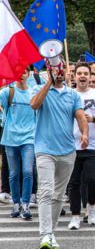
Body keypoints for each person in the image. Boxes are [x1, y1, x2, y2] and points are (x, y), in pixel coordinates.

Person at [30, 66, 88, 249]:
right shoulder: (39, 89)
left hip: (67, 150)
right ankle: (45, 234)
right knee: (46, 192)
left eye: (62, 69)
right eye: (55, 70)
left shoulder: (73, 95)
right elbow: (34, 104)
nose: (59, 73)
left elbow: (80, 116)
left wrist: (84, 133)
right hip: (44, 149)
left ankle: (50, 233)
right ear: (49, 72)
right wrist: (49, 82)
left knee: (58, 196)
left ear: (67, 72)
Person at [68, 63, 95, 230]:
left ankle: (92, 206)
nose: (83, 76)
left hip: (92, 145)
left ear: (89, 75)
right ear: (75, 76)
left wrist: (91, 119)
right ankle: (75, 216)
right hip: (71, 145)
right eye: (79, 73)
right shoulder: (69, 94)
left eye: (86, 73)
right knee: (74, 183)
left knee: (93, 179)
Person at [0, 68, 35, 219]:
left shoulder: (33, 93)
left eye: (24, 72)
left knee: (28, 171)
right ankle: (16, 203)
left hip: (29, 137)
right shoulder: (7, 92)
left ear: (29, 74)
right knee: (13, 174)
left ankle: (25, 203)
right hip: (10, 138)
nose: (21, 75)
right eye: (18, 72)